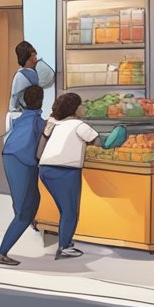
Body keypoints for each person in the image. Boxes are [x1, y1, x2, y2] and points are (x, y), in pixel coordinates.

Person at [35, 92, 126, 260]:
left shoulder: (53, 123)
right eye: (81, 105)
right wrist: (120, 131)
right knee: (70, 211)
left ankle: (65, 243)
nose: (83, 108)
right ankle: (65, 247)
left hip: (45, 170)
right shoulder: (79, 125)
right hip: (66, 171)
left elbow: (39, 152)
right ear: (75, 108)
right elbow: (103, 143)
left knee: (64, 210)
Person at [0, 85, 48, 266]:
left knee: (31, 201)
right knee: (24, 211)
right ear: (41, 100)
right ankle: (2, 253)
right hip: (23, 162)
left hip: (10, 157)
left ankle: (24, 222)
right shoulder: (40, 123)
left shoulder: (22, 119)